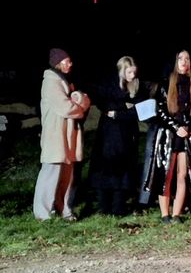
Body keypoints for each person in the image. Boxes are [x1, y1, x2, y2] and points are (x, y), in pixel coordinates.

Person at [143, 50, 191, 223]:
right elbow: (160, 111)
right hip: (169, 135)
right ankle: (164, 214)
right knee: (166, 173)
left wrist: (187, 127)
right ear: (175, 62)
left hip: (186, 135)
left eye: (187, 58)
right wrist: (176, 127)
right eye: (180, 58)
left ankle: (176, 214)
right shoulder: (166, 83)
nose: (184, 62)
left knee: (182, 174)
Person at [33, 48, 90, 221]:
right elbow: (65, 107)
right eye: (67, 61)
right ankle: (42, 213)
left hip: (67, 135)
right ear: (58, 62)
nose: (70, 64)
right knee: (51, 173)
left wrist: (78, 100)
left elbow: (82, 99)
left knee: (67, 175)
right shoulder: (51, 82)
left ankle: (63, 208)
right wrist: (80, 105)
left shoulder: (65, 80)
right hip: (55, 135)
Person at [89, 56, 146, 216]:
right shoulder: (110, 86)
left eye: (134, 72)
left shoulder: (137, 86)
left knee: (125, 170)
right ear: (122, 71)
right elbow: (105, 105)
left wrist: (120, 113)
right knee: (106, 169)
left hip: (128, 133)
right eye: (129, 72)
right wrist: (124, 108)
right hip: (109, 134)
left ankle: (118, 207)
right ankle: (104, 207)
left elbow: (139, 110)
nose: (132, 75)